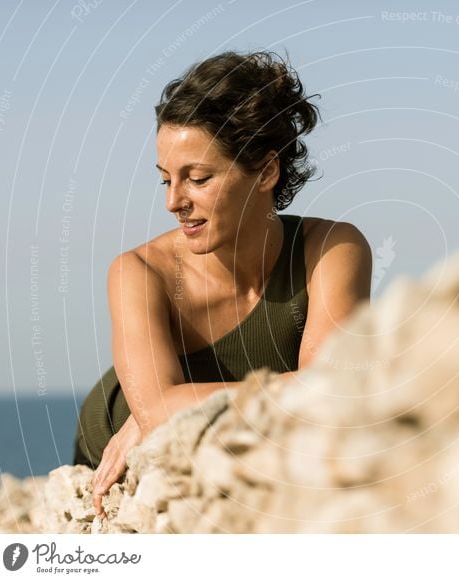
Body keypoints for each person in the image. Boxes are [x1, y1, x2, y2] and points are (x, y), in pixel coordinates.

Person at [73, 50, 373, 517]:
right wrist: (153, 409)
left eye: (197, 178)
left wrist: (174, 404)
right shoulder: (138, 272)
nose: (174, 201)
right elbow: (158, 417)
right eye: (165, 180)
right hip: (111, 442)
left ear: (266, 171)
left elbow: (331, 395)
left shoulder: (330, 249)